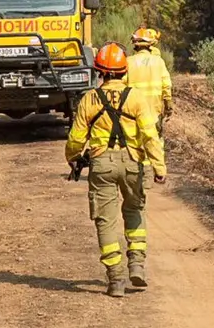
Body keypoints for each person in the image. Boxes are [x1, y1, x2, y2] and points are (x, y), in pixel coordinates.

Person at [65, 42, 166, 297]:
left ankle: (116, 280)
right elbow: (150, 135)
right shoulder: (137, 98)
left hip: (101, 165)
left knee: (105, 220)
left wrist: (73, 158)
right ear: (124, 71)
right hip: (134, 163)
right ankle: (137, 265)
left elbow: (77, 138)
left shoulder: (90, 99)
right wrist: (159, 166)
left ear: (100, 72)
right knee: (135, 211)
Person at [126, 27, 173, 127]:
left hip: (132, 115)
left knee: (134, 141)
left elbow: (121, 86)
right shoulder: (159, 61)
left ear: (135, 45)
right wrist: (168, 104)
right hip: (154, 114)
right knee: (155, 141)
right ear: (150, 45)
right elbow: (166, 85)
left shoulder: (128, 62)